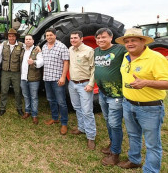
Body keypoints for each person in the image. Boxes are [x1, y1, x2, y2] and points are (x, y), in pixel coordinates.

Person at [115, 28, 168, 172]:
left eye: (133, 40)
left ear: (143, 41)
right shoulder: (126, 57)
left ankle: (150, 170)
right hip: (128, 104)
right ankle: (134, 160)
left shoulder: (155, 57)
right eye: (127, 41)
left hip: (150, 108)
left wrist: (146, 82)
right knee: (133, 135)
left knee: (152, 144)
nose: (129, 43)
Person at [94, 28, 126, 165]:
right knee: (107, 120)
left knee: (115, 124)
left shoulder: (120, 50)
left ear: (111, 37)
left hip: (116, 95)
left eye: (103, 37)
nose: (100, 40)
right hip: (103, 93)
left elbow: (137, 55)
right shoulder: (96, 51)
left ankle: (115, 154)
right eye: (98, 38)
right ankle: (112, 144)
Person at [68, 30, 96, 150]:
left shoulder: (89, 50)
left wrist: (91, 84)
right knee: (77, 107)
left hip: (84, 84)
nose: (73, 40)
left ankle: (91, 136)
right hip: (72, 83)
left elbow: (94, 68)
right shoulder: (70, 49)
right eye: (71, 38)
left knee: (87, 111)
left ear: (81, 39)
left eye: (75, 38)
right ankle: (81, 128)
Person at [42, 28, 69, 135]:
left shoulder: (62, 47)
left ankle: (64, 123)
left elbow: (66, 63)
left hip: (57, 79)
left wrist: (63, 77)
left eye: (50, 35)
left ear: (55, 36)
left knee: (61, 102)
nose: (48, 37)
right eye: (47, 35)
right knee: (50, 99)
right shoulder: (44, 47)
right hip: (47, 78)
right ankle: (55, 118)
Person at [0, 28, 24, 116]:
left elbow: (30, 48)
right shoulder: (3, 44)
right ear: (7, 37)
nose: (11, 38)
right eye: (9, 36)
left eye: (13, 36)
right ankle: (2, 108)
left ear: (16, 37)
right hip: (5, 72)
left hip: (16, 72)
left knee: (17, 91)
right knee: (4, 90)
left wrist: (37, 48)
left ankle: (19, 108)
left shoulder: (21, 45)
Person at [20, 34, 43, 124]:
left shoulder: (37, 50)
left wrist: (34, 62)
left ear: (33, 41)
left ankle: (34, 115)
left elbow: (41, 62)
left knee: (34, 97)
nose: (28, 40)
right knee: (26, 96)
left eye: (30, 39)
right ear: (24, 41)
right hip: (23, 77)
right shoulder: (22, 49)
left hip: (33, 78)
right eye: (26, 39)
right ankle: (27, 111)